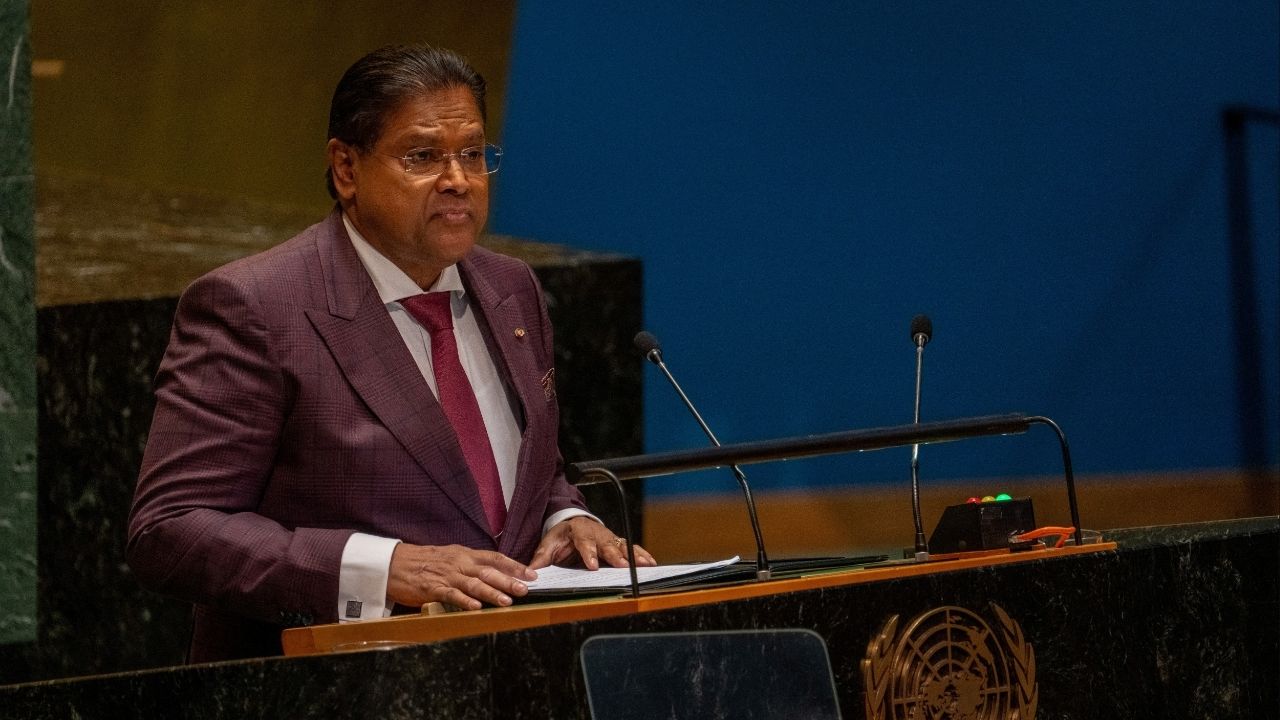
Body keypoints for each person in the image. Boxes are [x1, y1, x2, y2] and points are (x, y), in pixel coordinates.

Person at [127, 44, 654, 663]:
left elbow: (525, 472)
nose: (458, 179)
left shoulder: (513, 289)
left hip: (508, 676)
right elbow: (171, 528)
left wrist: (564, 521)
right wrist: (383, 568)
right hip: (327, 684)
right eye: (423, 156)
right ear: (346, 168)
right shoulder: (256, 307)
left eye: (472, 154)